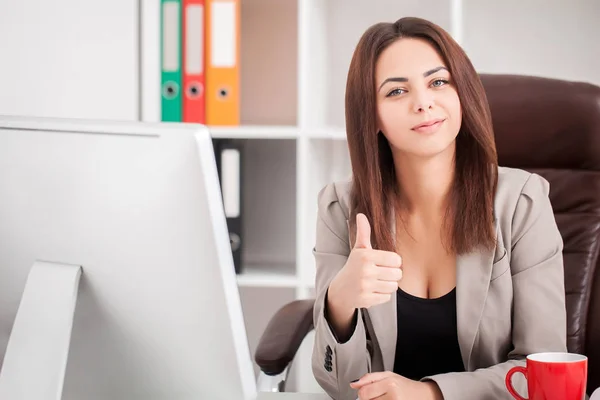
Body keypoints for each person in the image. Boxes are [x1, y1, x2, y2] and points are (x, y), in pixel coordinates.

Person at [311, 16, 567, 400]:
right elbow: (340, 389)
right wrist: (340, 301)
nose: (423, 102)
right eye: (396, 92)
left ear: (462, 92)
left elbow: (542, 369)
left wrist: (430, 393)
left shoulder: (523, 203)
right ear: (372, 116)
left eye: (438, 82)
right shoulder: (339, 208)